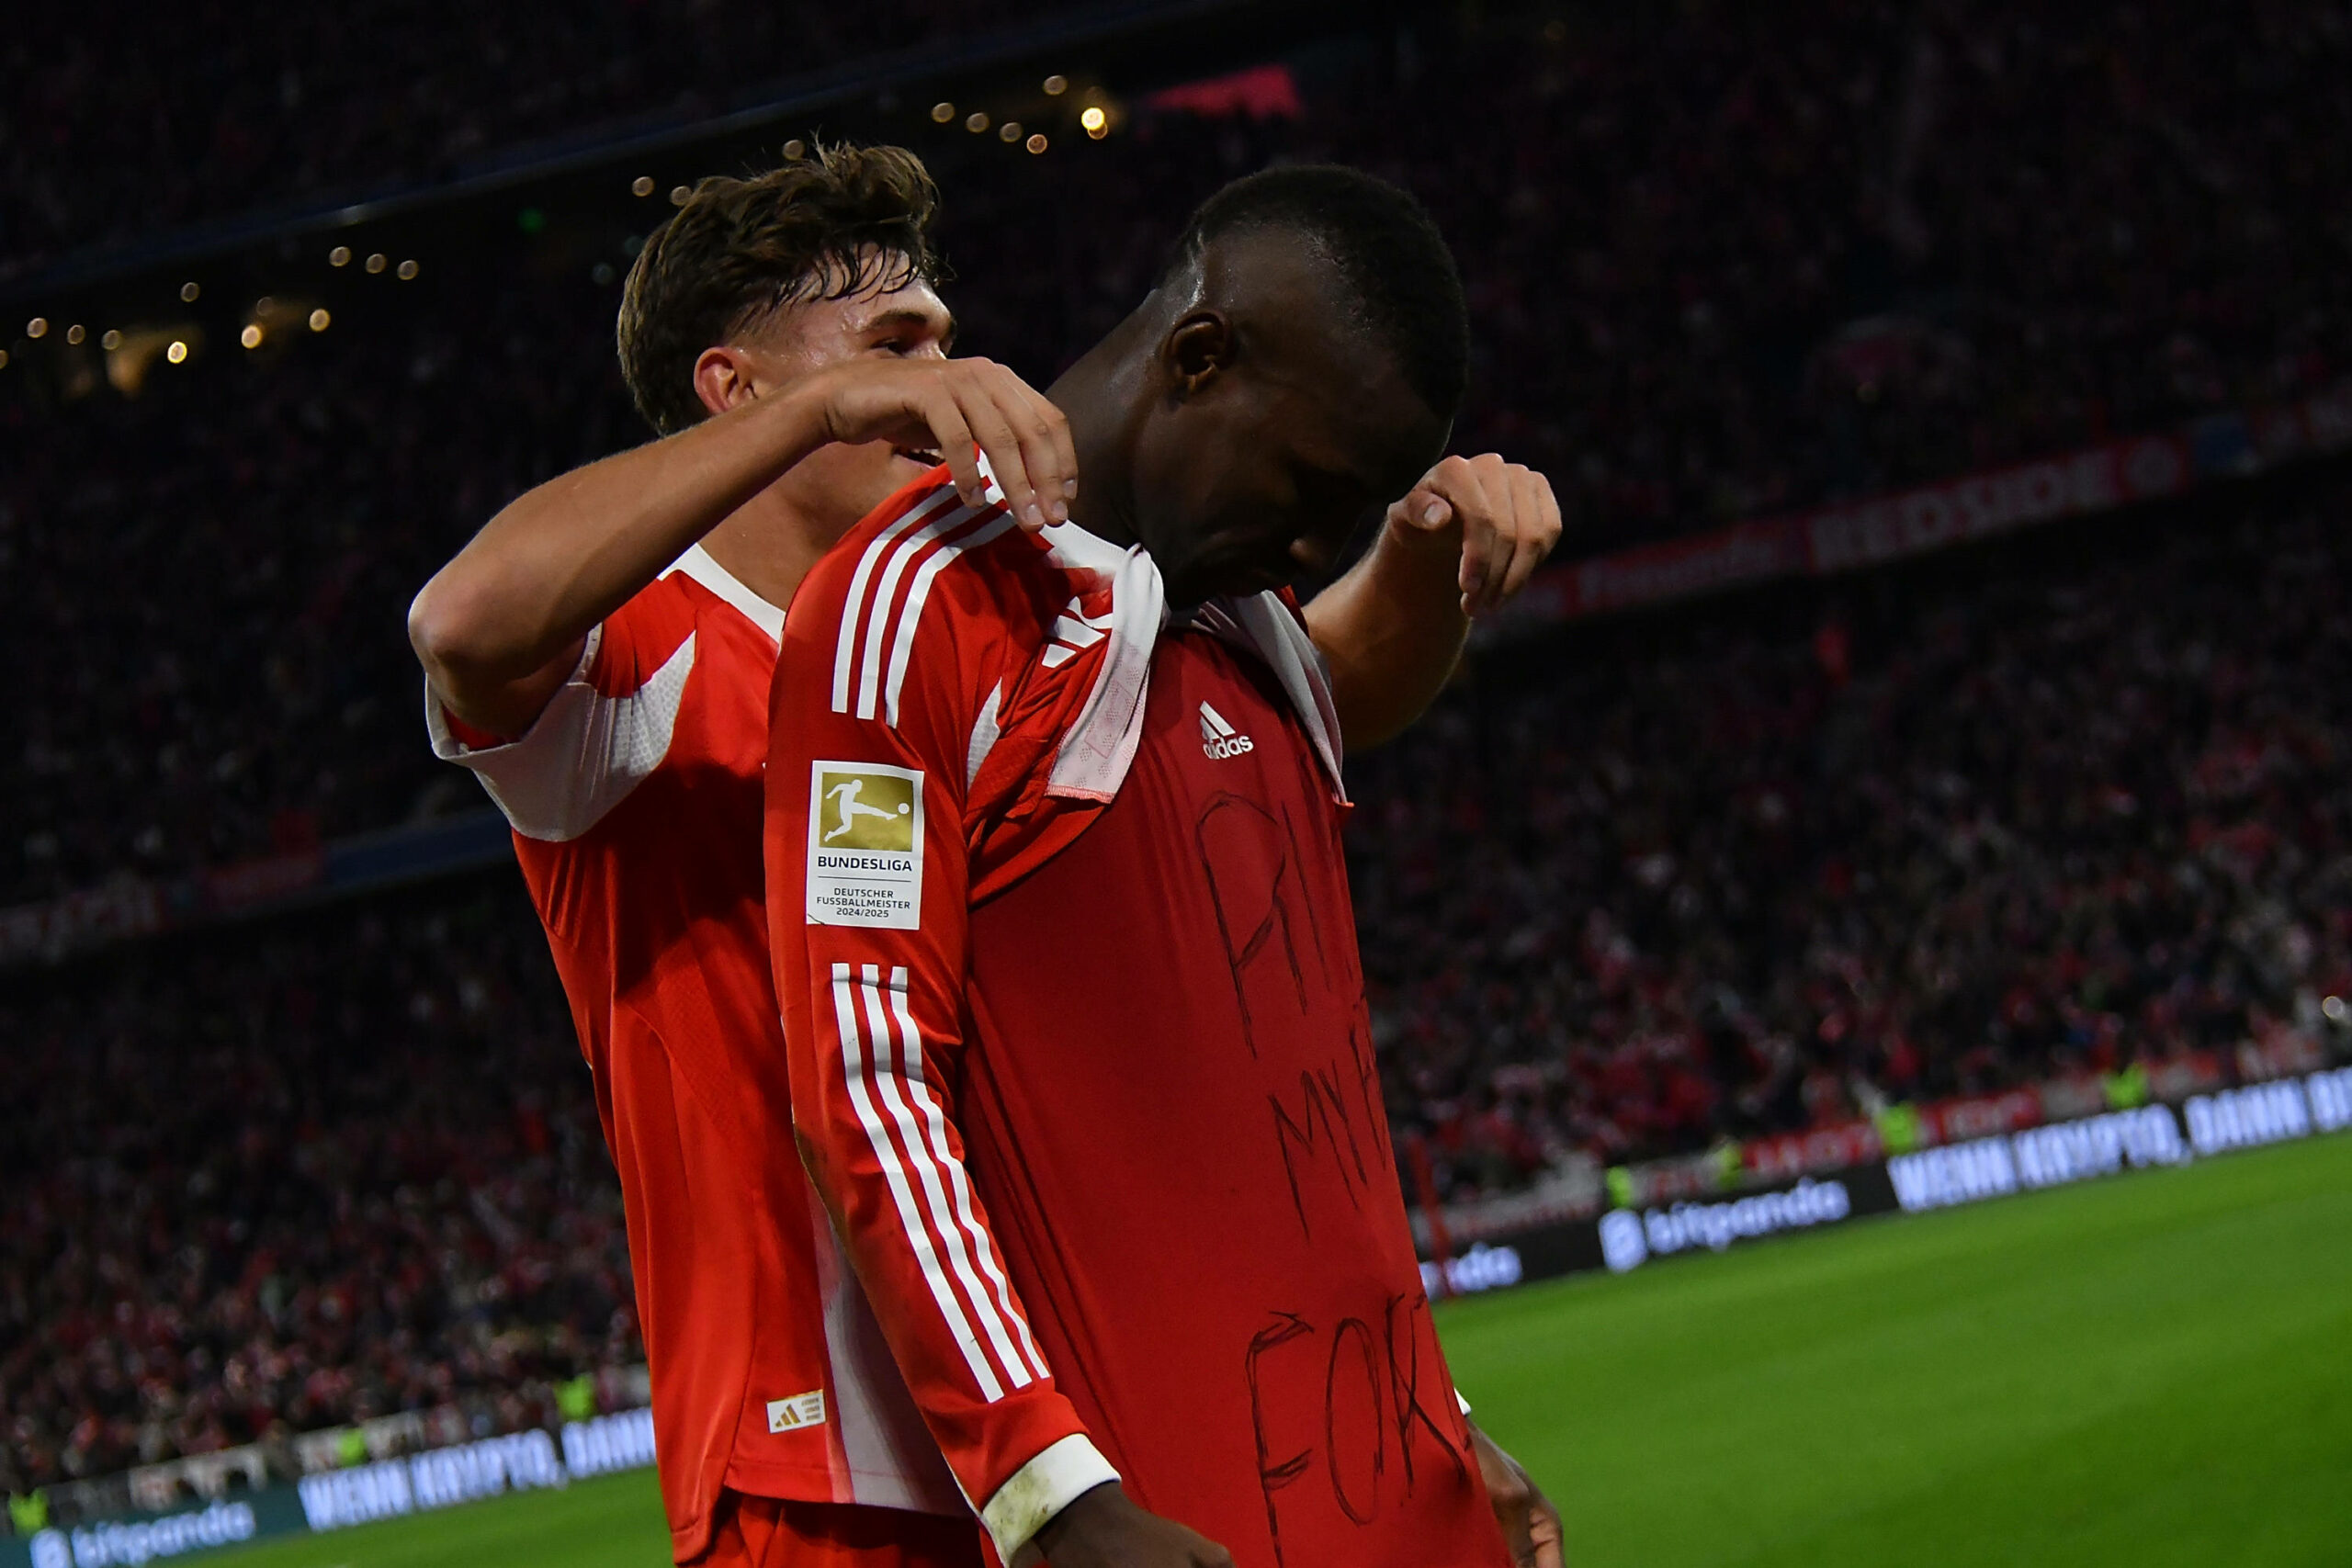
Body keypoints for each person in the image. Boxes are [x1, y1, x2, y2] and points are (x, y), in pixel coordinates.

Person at [411, 147, 1559, 1566]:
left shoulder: (1004, 607)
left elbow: (1291, 718)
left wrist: (1411, 1409)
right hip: (826, 1470)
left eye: (945, 337)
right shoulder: (644, 656)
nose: (941, 369)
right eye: (894, 344)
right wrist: (832, 407)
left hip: (1068, 1434)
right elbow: (461, 623)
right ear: (737, 388)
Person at [765, 165, 1566, 1568]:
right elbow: (867, 1077)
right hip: (1170, 1532)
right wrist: (1050, 1496)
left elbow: (1291, 1127)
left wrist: (1437, 1416)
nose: (1320, 545)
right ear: (1201, 358)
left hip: (1414, 1514)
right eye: (1316, 489)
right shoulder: (909, 608)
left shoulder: (1249, 633)